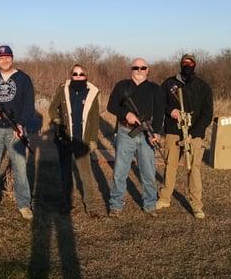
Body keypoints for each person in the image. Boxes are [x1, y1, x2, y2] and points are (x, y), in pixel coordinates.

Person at [0, 45, 35, 220]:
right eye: (1, 58)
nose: (5, 60)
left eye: (7, 57)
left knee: (20, 168)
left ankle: (24, 204)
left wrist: (20, 125)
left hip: (15, 130)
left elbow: (28, 105)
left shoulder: (24, 79)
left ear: (12, 58)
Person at [157, 53, 213, 219]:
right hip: (173, 132)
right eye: (184, 62)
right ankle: (165, 198)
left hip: (194, 134)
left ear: (195, 64)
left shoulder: (203, 87)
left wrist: (194, 133)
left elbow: (207, 113)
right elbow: (160, 103)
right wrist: (170, 111)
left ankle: (196, 204)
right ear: (180, 64)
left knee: (193, 168)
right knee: (170, 165)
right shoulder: (169, 84)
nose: (187, 65)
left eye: (190, 62)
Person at [107, 58, 164, 217]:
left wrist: (157, 132)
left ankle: (150, 204)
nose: (139, 70)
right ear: (131, 69)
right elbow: (111, 106)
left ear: (147, 70)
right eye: (136, 67)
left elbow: (160, 111)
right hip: (125, 132)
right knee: (120, 170)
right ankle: (116, 205)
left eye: (143, 67)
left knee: (148, 171)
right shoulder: (121, 86)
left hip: (147, 132)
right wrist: (127, 114)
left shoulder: (155, 88)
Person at [48, 64, 101, 217]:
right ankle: (67, 203)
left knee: (86, 175)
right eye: (75, 73)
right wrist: (57, 120)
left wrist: (93, 140)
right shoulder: (63, 89)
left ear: (86, 76)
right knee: (65, 173)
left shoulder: (92, 93)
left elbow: (94, 119)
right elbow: (52, 109)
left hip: (81, 141)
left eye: (81, 74)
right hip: (64, 139)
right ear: (71, 75)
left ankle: (90, 206)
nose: (78, 76)